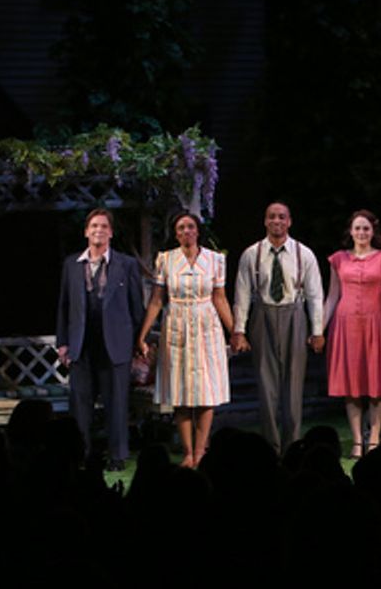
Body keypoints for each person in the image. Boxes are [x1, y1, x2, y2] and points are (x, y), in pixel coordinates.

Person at [137, 211, 234, 468]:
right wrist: (143, 334)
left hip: (206, 325)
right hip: (177, 324)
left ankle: (202, 451)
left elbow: (220, 298)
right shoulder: (166, 260)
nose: (186, 232)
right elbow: (157, 300)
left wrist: (235, 331)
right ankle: (188, 452)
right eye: (181, 228)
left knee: (205, 392)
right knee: (180, 392)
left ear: (198, 230)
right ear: (176, 233)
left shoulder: (215, 260)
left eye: (190, 227)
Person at [230, 202, 325, 454]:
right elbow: (241, 294)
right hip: (264, 314)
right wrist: (239, 329)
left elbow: (315, 294)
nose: (277, 221)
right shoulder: (253, 254)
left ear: (289, 221)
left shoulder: (303, 254)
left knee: (294, 384)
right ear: (265, 221)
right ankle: (271, 446)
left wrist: (317, 330)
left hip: (294, 314)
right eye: (272, 217)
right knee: (266, 383)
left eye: (281, 217)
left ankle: (292, 445)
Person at [55, 208, 145, 471]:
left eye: (104, 226)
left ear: (111, 232)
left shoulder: (126, 264)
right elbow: (63, 306)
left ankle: (117, 456)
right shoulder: (72, 265)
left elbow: (136, 307)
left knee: (116, 402)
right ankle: (81, 456)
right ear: (86, 231)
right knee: (81, 404)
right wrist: (63, 342)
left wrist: (138, 342)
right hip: (81, 344)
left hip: (115, 344)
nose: (99, 230)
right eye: (94, 226)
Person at [323, 209, 381, 458]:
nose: (361, 233)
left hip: (375, 323)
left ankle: (375, 438)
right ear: (351, 231)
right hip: (345, 326)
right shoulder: (338, 260)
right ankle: (358, 440)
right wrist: (319, 329)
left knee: (377, 384)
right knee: (351, 385)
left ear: (373, 231)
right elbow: (332, 296)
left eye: (366, 228)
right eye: (357, 228)